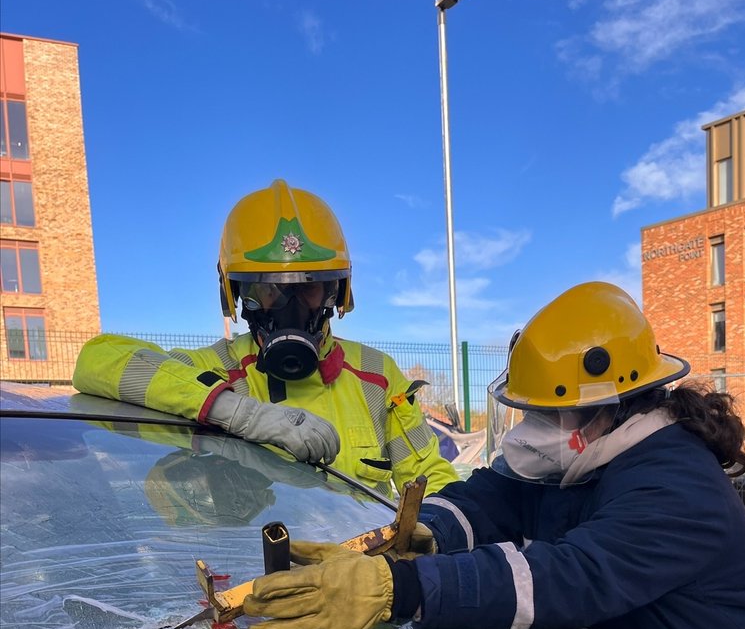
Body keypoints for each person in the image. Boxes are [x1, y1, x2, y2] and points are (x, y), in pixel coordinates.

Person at [242, 281, 745, 629]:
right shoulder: (585, 453)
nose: (532, 429)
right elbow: (497, 495)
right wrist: (423, 532)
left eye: (548, 413)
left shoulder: (676, 485)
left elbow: (565, 577)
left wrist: (403, 588)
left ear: (613, 402)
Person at [73, 179, 458, 498]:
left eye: (308, 288)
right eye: (268, 290)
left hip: (365, 574)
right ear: (238, 296)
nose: (289, 307)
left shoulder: (378, 376)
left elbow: (428, 478)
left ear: (334, 293)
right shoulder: (215, 370)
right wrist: (240, 414)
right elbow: (96, 361)